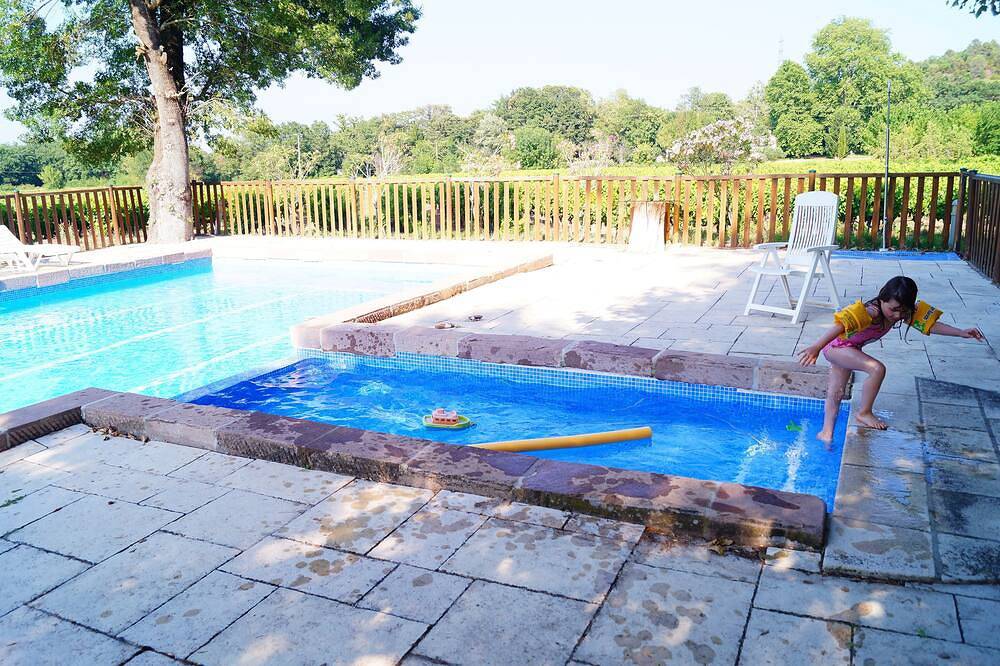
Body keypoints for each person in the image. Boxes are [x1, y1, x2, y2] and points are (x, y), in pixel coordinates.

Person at [798, 275, 985, 442]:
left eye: (903, 311)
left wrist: (961, 333)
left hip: (849, 348)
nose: (897, 316)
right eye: (893, 309)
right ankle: (864, 413)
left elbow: (931, 325)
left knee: (836, 392)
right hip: (837, 348)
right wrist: (816, 346)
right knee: (877, 369)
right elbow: (839, 326)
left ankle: (826, 433)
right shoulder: (872, 311)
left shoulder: (903, 311)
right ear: (882, 299)